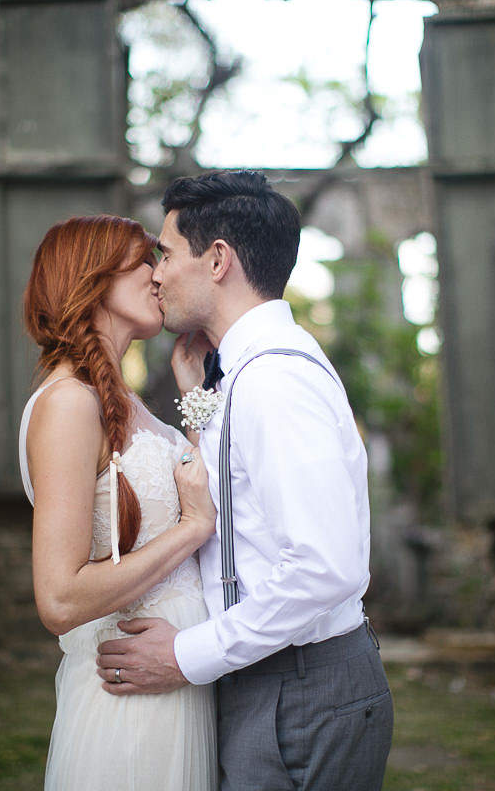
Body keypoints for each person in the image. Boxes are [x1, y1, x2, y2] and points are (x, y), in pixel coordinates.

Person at [95, 171, 394, 790]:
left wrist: (187, 655)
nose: (156, 273)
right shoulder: (245, 372)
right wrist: (196, 401)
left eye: (168, 254)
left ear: (219, 260)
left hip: (302, 688)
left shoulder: (276, 382)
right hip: (273, 676)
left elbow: (325, 566)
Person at [18, 214, 219, 790]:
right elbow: (58, 599)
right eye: (146, 261)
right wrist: (193, 530)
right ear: (94, 278)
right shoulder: (67, 403)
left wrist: (192, 389)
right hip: (129, 701)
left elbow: (196, 482)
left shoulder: (122, 399)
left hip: (177, 683)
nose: (160, 277)